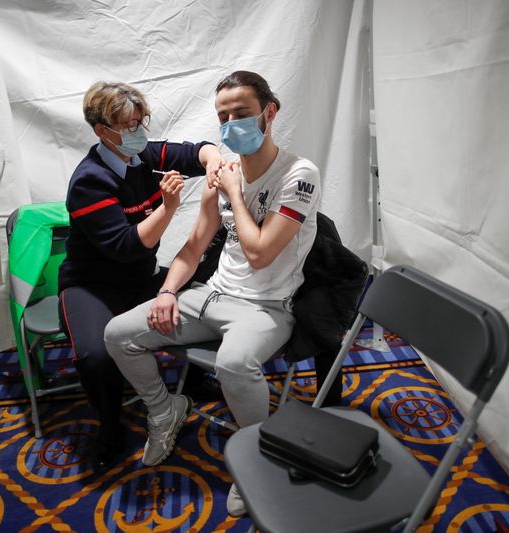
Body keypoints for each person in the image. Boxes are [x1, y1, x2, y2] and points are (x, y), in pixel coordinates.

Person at [104, 71, 321, 515]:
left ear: (270, 112)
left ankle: (257, 455)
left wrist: (235, 195)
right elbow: (193, 247)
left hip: (266, 307)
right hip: (213, 294)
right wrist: (167, 291)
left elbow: (260, 254)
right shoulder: (221, 172)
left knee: (234, 362)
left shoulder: (299, 174)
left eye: (241, 113)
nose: (230, 125)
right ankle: (166, 411)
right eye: (223, 117)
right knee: (116, 334)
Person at [58, 81, 224, 471]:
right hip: (91, 286)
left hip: (140, 277)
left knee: (208, 294)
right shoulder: (89, 181)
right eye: (129, 126)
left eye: (141, 122)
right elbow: (126, 245)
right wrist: (167, 208)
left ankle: (192, 381)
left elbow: (191, 151)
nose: (139, 132)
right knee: (95, 356)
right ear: (103, 130)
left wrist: (214, 158)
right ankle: (110, 426)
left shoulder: (143, 155)